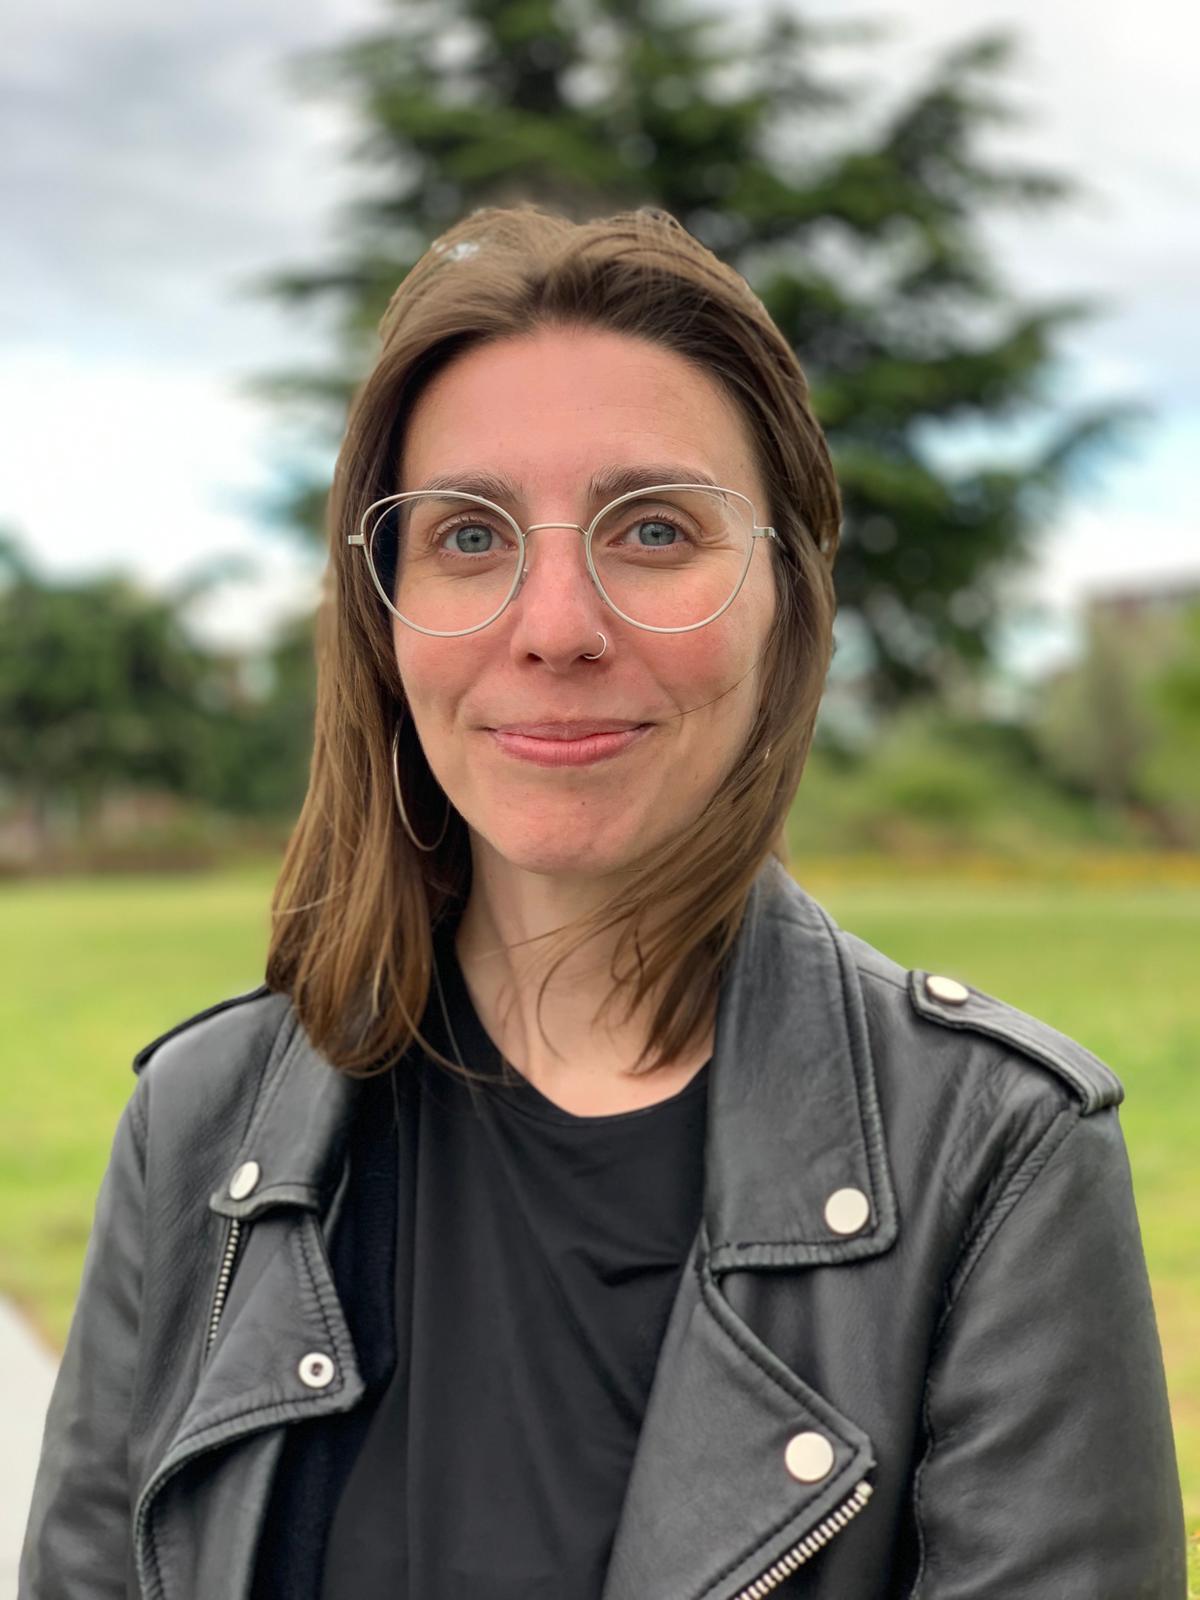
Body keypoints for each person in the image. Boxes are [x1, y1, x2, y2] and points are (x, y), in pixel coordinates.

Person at [20, 203, 1186, 1600]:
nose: (557, 623)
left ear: (786, 604)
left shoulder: (997, 1159)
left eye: (651, 529)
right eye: (466, 535)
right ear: (381, 619)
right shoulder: (198, 1127)